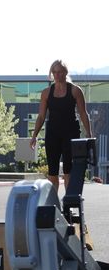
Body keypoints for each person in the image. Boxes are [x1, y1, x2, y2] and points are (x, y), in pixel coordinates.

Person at [30, 59, 91, 192]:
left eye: (60, 72)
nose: (57, 75)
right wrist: (34, 135)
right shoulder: (46, 92)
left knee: (68, 169)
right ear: (52, 73)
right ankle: (54, 203)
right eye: (55, 72)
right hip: (53, 134)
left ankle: (68, 202)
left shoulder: (75, 91)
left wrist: (89, 135)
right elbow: (41, 116)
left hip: (71, 133)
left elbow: (83, 114)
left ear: (65, 72)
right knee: (52, 171)